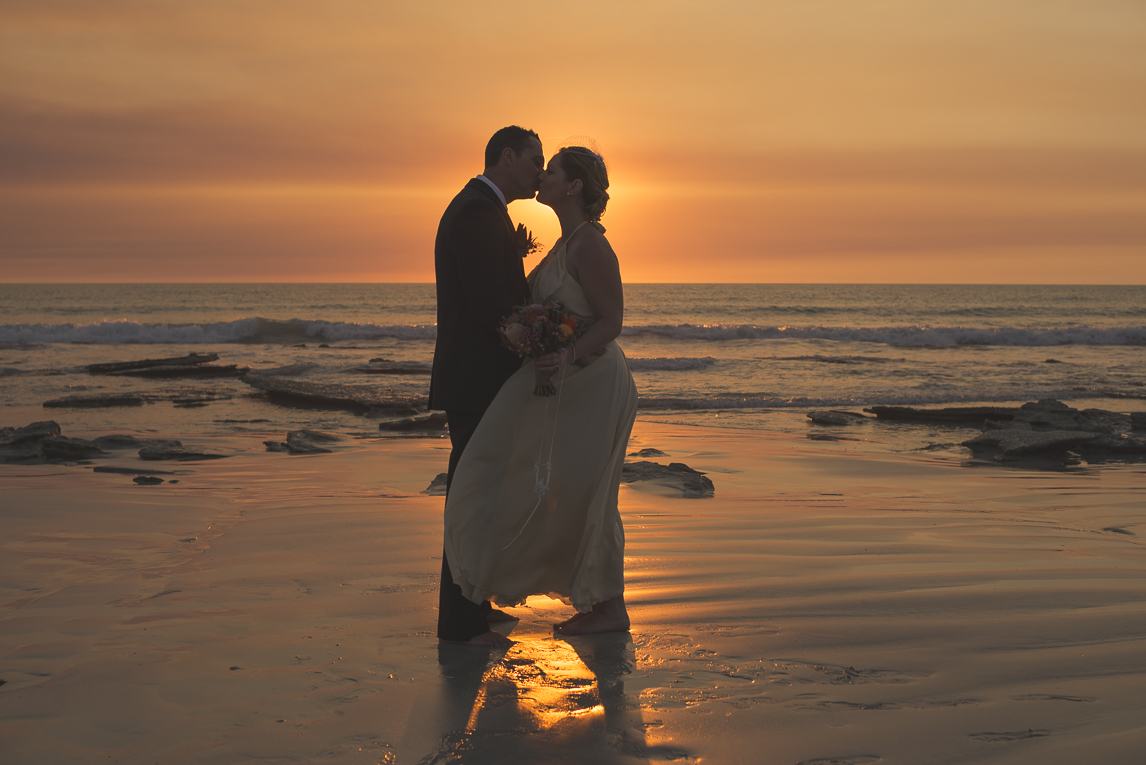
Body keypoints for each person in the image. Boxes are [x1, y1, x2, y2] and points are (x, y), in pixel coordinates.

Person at [442, 144, 638, 641]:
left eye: (551, 171)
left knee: (591, 494)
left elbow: (612, 321)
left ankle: (609, 607)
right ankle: (506, 582)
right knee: (546, 487)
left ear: (573, 187)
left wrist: (567, 355)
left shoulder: (590, 243)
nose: (542, 175)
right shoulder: (562, 242)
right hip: (564, 382)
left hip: (593, 381)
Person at [430, 126, 545, 646]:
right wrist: (537, 340)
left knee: (483, 493)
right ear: (507, 157)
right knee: (472, 496)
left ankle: (476, 599)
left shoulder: (484, 208)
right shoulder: (477, 211)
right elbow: (488, 306)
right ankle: (458, 621)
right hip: (476, 379)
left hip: (478, 377)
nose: (540, 172)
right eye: (534, 161)